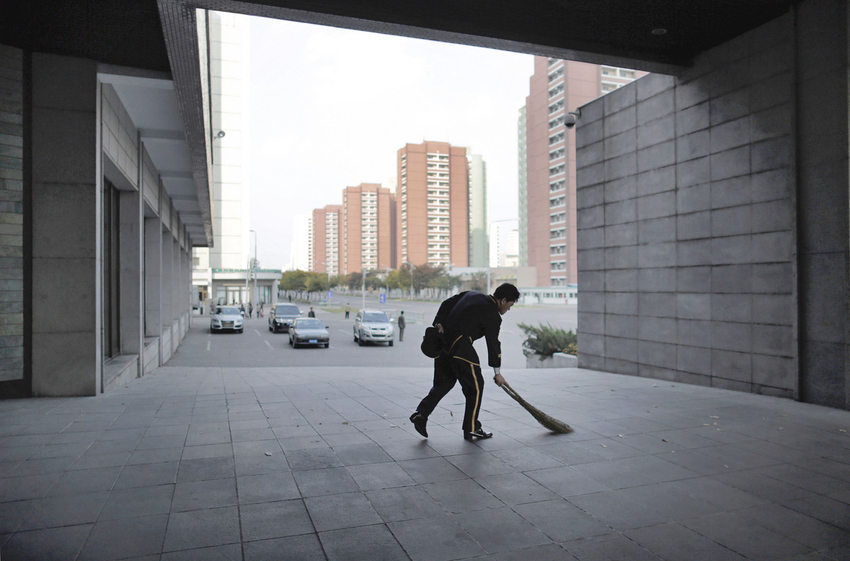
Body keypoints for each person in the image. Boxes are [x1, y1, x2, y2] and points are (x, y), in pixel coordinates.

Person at [410, 283, 520, 441]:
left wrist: (438, 322)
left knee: (443, 384)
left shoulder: (472, 294)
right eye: (510, 305)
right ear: (503, 300)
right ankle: (472, 428)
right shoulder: (493, 315)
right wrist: (497, 373)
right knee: (475, 387)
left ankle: (421, 414)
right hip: (460, 348)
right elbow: (493, 344)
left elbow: (446, 303)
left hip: (443, 345)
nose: (508, 309)